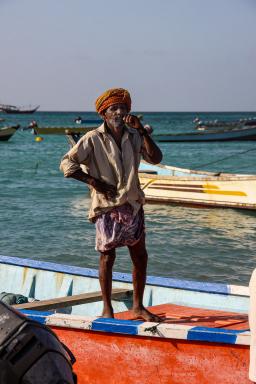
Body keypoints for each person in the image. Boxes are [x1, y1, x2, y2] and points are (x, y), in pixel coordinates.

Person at [60, 88, 163, 322]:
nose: (119, 112)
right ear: (103, 114)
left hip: (133, 204)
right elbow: (67, 164)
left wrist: (142, 131)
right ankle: (107, 309)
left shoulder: (135, 135)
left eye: (124, 108)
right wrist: (93, 182)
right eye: (114, 109)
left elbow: (156, 158)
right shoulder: (92, 138)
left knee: (140, 256)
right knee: (107, 257)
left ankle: (138, 306)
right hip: (106, 207)